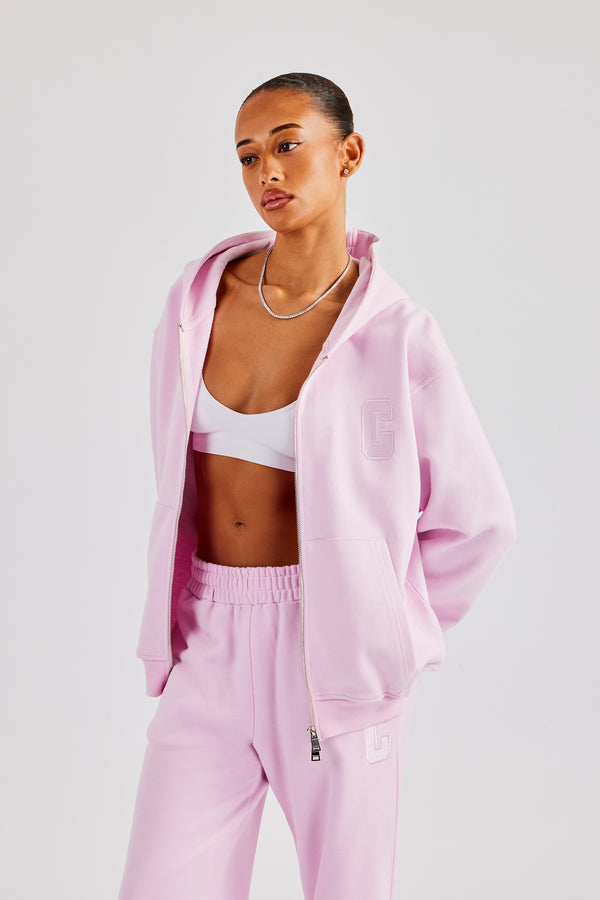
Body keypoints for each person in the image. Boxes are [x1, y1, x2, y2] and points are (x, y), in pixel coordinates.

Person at [117, 72, 516, 900]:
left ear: (349, 154)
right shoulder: (197, 302)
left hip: (329, 657)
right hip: (206, 639)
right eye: (247, 155)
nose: (267, 170)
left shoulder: (397, 335)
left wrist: (384, 627)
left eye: (288, 145)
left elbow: (479, 521)